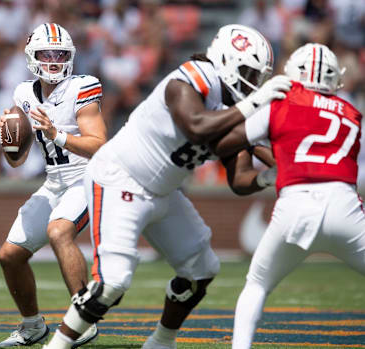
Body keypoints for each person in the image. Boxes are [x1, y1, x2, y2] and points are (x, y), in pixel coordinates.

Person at [42, 24, 292, 349]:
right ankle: (56, 346)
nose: (254, 83)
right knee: (113, 283)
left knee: (202, 269)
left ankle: (162, 341)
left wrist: (269, 176)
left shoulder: (236, 104)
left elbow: (239, 179)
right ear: (227, 61)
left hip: (164, 191)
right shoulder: (192, 77)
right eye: (249, 72)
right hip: (121, 179)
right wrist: (252, 107)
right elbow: (198, 126)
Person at [208, 43, 364, 349]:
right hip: (344, 204)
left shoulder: (280, 102)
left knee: (256, 285)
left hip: (295, 204)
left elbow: (224, 143)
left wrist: (252, 113)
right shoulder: (352, 112)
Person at [0, 23, 107, 348]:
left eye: (60, 53)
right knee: (9, 255)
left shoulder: (81, 87)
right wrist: (8, 139)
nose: (54, 60)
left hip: (87, 176)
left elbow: (99, 144)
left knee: (59, 231)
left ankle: (82, 321)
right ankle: (32, 326)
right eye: (47, 53)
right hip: (54, 181)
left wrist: (58, 134)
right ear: (32, 57)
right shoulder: (24, 93)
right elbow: (16, 161)